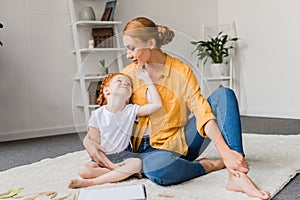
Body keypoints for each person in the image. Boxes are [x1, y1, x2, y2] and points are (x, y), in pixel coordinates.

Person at [83, 17, 270, 199]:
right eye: (127, 49)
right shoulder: (128, 75)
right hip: (146, 152)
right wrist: (88, 139)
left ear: (150, 43)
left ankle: (237, 174)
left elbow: (201, 110)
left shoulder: (181, 70)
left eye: (132, 48)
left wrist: (225, 151)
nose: (128, 55)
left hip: (181, 141)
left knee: (224, 95)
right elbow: (109, 113)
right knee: (160, 171)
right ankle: (208, 165)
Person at [68, 70, 162, 188]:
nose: (125, 84)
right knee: (83, 170)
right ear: (106, 91)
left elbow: (157, 105)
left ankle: (90, 182)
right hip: (103, 159)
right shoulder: (97, 115)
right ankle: (124, 174)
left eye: (128, 84)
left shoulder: (131, 110)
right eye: (119, 81)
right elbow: (95, 148)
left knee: (137, 163)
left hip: (124, 156)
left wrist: (148, 81)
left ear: (129, 95)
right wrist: (111, 166)